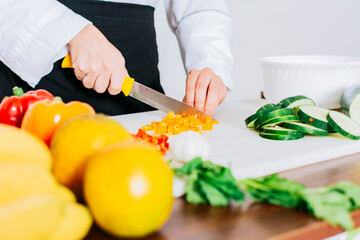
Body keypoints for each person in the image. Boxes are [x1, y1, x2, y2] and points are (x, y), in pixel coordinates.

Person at [0, 0, 233, 116]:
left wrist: (210, 64)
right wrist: (66, 30)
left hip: (136, 82)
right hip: (31, 86)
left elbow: (200, 7)